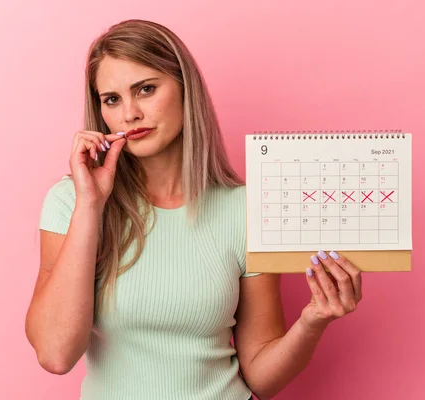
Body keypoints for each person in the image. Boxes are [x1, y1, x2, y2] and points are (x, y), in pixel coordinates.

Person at [25, 19, 363, 400]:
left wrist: (314, 320)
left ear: (186, 90)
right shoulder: (70, 201)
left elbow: (261, 379)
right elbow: (55, 354)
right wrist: (91, 205)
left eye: (146, 89)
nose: (129, 113)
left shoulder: (245, 210)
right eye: (112, 99)